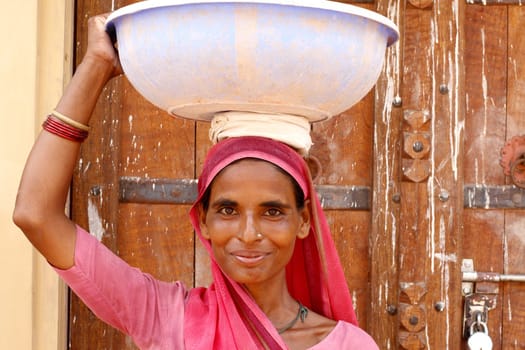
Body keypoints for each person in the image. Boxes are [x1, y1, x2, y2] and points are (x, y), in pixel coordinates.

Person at [13, 13, 379, 350]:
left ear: (304, 221)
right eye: (227, 209)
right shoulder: (168, 318)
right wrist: (96, 65)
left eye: (272, 211)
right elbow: (35, 214)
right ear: (202, 219)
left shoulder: (350, 345)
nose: (249, 233)